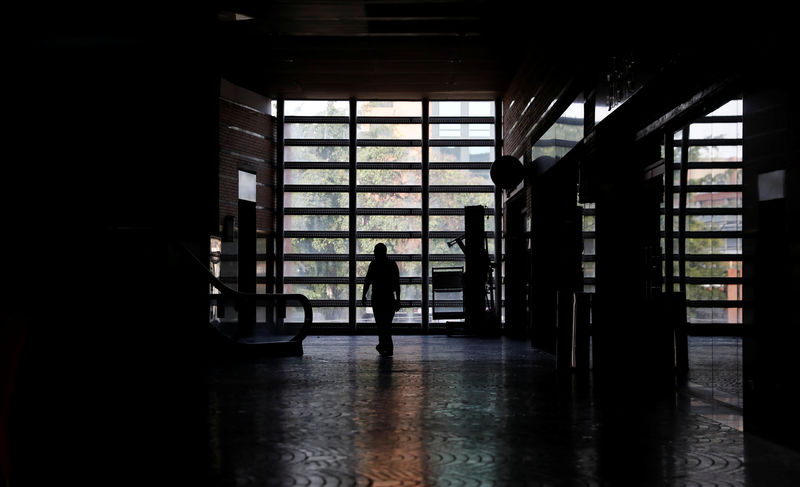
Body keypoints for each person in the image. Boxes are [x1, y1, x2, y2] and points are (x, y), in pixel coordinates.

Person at [362, 243, 400, 356]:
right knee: (387, 324)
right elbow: (397, 284)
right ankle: (386, 347)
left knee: (380, 324)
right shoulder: (392, 264)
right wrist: (398, 299)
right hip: (389, 298)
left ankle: (383, 346)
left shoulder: (373, 265)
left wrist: (363, 295)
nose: (374, 253)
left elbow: (367, 280)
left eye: (375, 251)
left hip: (377, 298)